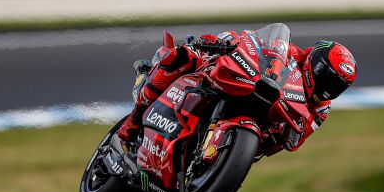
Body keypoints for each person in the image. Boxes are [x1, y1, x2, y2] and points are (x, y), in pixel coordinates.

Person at [117, 30, 357, 153]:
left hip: (259, 122)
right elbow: (252, 40)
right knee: (182, 57)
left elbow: (294, 142)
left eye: (337, 86)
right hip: (239, 81)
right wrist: (223, 43)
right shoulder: (292, 53)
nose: (329, 89)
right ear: (315, 63)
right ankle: (134, 121)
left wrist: (281, 133)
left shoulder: (321, 109)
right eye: (328, 78)